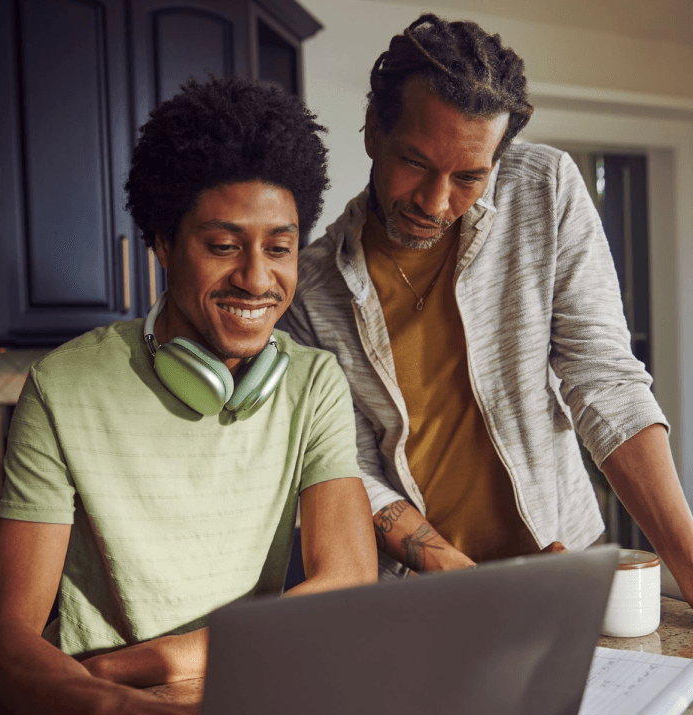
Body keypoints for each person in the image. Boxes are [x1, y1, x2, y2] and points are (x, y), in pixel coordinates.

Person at [0, 75, 377, 715]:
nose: (257, 278)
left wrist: (153, 662)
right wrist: (114, 709)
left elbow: (346, 585)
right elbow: (0, 647)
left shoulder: (313, 383)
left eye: (279, 249)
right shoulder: (64, 388)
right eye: (223, 245)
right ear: (160, 242)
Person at [284, 13, 693, 599]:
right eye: (416, 163)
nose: (435, 202)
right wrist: (453, 570)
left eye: (470, 177)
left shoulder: (543, 188)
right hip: (423, 593)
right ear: (374, 128)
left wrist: (688, 562)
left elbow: (604, 380)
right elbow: (349, 465)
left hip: (564, 562)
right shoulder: (309, 286)